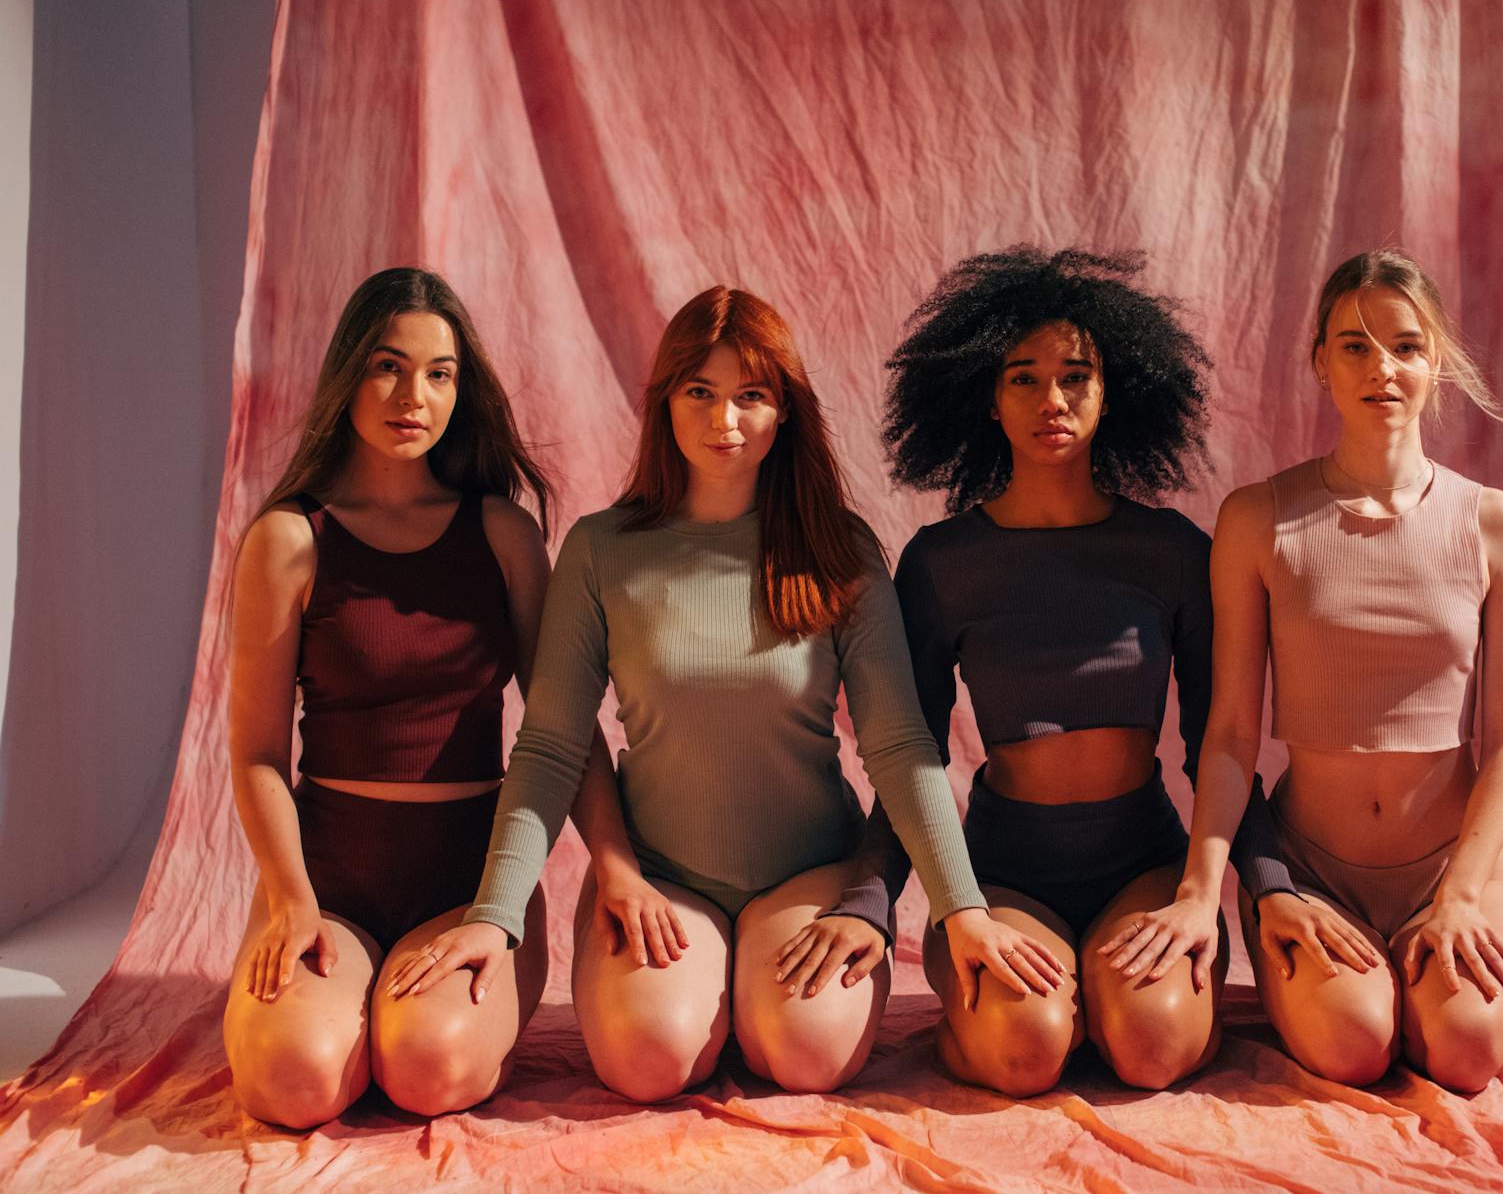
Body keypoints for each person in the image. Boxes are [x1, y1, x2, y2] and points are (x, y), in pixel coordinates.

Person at [393, 285, 1062, 1101]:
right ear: (665, 401)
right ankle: (715, 995)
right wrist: (496, 914)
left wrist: (963, 909)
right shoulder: (602, 548)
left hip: (811, 873)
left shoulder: (839, 549)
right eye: (700, 392)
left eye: (751, 396)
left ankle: (750, 996)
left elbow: (898, 745)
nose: (725, 420)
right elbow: (551, 744)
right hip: (659, 879)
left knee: (810, 1055)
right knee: (647, 1060)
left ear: (785, 410)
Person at [829, 247, 1293, 1095]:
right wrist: (869, 899)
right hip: (1002, 874)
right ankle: (1050, 1015)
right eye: (1024, 379)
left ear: (1113, 391)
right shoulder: (942, 562)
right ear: (989, 399)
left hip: (1144, 864)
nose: (1052, 399)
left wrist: (1269, 884)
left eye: (1076, 377)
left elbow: (1221, 743)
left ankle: (1112, 1007)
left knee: (1153, 1048)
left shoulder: (1172, 551)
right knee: (1027, 1051)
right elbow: (907, 753)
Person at [1138, 248, 1503, 1092]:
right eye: (1355, 346)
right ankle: (1363, 984)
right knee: (1354, 1044)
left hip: (1451, 864)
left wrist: (1462, 895)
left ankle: (1443, 937)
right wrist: (1200, 889)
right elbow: (1230, 732)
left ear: (1436, 362)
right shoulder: (1257, 519)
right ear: (1321, 361)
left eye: (1406, 346)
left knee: (1465, 1048)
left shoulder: (1498, 525)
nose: (1381, 368)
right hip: (1311, 870)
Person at [222, 267, 555, 1126]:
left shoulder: (505, 535)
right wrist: (291, 899)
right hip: (328, 880)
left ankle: (393, 1020)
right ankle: (341, 1011)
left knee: (427, 1068)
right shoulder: (289, 539)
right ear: (348, 374)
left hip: (470, 882)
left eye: (440, 374)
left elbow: (560, 735)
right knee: (292, 1080)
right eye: (388, 366)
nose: (415, 396)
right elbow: (257, 755)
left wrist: (611, 874)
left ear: (461, 390)